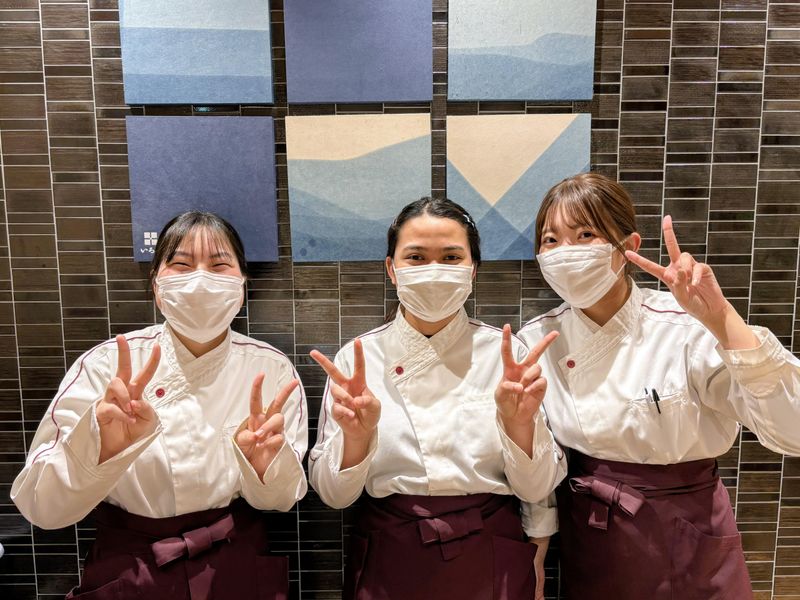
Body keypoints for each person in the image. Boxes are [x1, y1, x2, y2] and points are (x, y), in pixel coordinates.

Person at [519, 173, 800, 600]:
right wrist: (536, 560)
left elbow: (793, 431)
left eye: (586, 234)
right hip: (594, 537)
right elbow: (536, 465)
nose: (566, 251)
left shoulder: (686, 325)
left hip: (691, 533)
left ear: (628, 246)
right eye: (551, 240)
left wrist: (724, 320)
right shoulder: (538, 340)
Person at [11, 211, 308, 599]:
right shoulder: (104, 366)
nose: (200, 280)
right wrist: (99, 449)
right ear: (156, 287)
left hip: (234, 564)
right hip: (131, 568)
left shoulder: (271, 369)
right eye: (181, 265)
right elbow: (42, 509)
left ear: (241, 287)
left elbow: (280, 501)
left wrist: (265, 467)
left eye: (219, 265)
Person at [308, 197, 566, 600]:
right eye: (416, 257)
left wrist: (519, 426)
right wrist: (356, 440)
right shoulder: (357, 359)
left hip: (491, 551)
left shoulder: (506, 354)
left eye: (450, 257)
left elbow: (536, 490)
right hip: (391, 554)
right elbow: (334, 496)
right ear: (391, 269)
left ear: (473, 269)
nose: (433, 270)